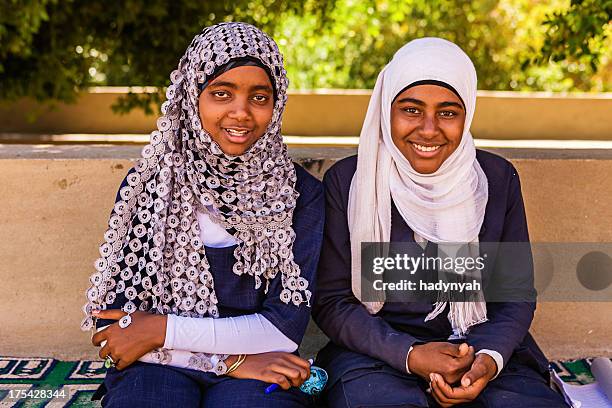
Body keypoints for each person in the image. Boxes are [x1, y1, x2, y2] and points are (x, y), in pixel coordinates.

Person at [312, 37, 568, 408]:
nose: (429, 129)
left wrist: (487, 362)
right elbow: (333, 301)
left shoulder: (496, 179)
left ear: (467, 114)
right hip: (376, 353)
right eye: (411, 110)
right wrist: (410, 354)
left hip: (479, 348)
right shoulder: (350, 181)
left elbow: (514, 296)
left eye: (448, 113)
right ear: (386, 109)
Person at [80, 22, 324, 408]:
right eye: (221, 94)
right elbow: (115, 331)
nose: (240, 113)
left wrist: (161, 329)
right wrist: (229, 361)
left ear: (277, 106)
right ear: (191, 98)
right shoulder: (151, 185)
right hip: (160, 368)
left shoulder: (299, 195)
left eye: (259, 97)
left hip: (253, 367)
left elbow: (282, 331)